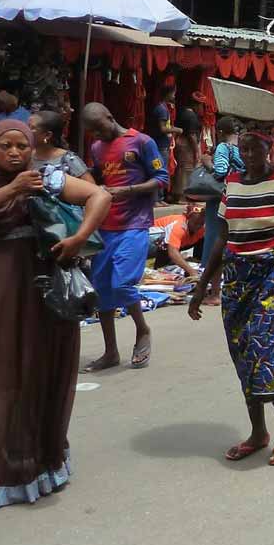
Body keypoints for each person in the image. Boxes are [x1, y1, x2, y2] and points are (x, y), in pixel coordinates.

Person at [0, 120, 110, 508]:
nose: (14, 153)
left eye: (21, 146)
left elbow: (99, 196)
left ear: (32, 148)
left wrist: (79, 237)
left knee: (32, 370)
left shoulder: (48, 177)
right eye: (5, 146)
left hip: (39, 290)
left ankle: (29, 465)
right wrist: (13, 189)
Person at [188, 120, 274, 467]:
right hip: (236, 278)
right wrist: (201, 287)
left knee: (263, 346)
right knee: (241, 351)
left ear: (270, 148)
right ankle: (258, 432)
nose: (249, 154)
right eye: (244, 149)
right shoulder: (231, 185)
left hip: (271, 275)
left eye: (256, 148)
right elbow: (221, 239)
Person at [82, 102, 169, 373]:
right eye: (92, 131)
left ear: (110, 117)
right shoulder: (97, 148)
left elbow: (162, 178)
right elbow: (97, 176)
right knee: (102, 290)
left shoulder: (142, 142)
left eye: (99, 128)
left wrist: (127, 190)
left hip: (134, 223)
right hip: (105, 226)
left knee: (122, 284)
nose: (97, 135)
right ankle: (110, 351)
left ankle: (142, 329)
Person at [201, 115, 244, 307]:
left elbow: (220, 171)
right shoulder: (243, 149)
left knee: (216, 245)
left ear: (219, 132)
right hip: (240, 198)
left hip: (221, 201)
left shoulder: (223, 148)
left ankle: (216, 292)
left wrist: (207, 163)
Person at [29, 109, 93, 183]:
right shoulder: (27, 155)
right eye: (27, 126)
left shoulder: (68, 159)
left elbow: (92, 186)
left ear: (47, 135)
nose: (27, 130)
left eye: (32, 128)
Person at [150, 204, 205, 277]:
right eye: (195, 223)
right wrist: (191, 271)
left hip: (173, 242)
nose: (198, 226)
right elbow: (172, 252)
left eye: (201, 223)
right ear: (188, 219)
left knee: (203, 237)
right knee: (165, 242)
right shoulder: (179, 226)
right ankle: (161, 267)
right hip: (151, 239)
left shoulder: (201, 229)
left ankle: (197, 261)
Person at [168, 103, 203, 203]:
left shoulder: (181, 113)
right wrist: (196, 150)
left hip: (179, 142)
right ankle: (182, 196)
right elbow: (192, 135)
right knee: (186, 170)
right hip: (186, 145)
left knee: (180, 168)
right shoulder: (191, 116)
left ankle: (175, 194)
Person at [146, 86, 181, 179]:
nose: (174, 96)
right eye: (173, 94)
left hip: (162, 146)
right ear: (168, 94)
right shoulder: (162, 110)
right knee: (161, 171)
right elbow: (163, 128)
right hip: (161, 147)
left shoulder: (162, 107)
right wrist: (177, 130)